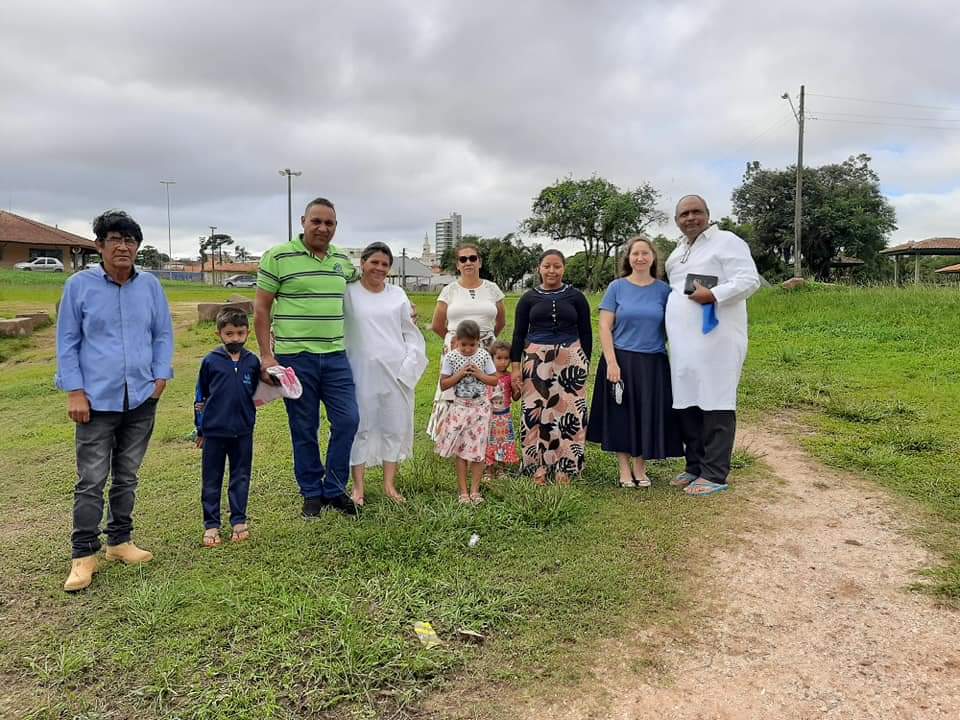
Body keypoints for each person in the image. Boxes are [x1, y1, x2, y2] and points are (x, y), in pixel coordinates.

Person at [56, 210, 174, 592]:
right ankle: (83, 554)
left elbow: (162, 333)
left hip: (141, 396)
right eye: (114, 239)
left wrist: (159, 377)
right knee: (91, 479)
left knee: (127, 475)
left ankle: (119, 542)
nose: (123, 246)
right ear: (99, 246)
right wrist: (74, 390)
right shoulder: (79, 286)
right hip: (95, 399)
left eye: (130, 240)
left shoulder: (150, 285)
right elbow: (68, 340)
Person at [255, 197, 361, 518]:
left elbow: (368, 284)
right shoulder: (278, 257)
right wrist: (266, 355)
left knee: (348, 420)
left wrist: (399, 305)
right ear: (303, 222)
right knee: (304, 426)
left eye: (329, 223)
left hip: (335, 357)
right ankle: (312, 492)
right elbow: (261, 309)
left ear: (335, 227)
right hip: (294, 359)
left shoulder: (342, 260)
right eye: (316, 221)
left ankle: (334, 488)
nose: (322, 228)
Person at [665, 195, 761, 496]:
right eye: (684, 214)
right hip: (682, 344)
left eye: (696, 212)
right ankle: (694, 466)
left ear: (708, 214)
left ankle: (715, 473)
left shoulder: (727, 241)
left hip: (716, 341)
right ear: (677, 220)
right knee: (687, 403)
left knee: (715, 401)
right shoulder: (678, 249)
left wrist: (715, 294)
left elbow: (749, 280)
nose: (690, 218)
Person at [586, 235, 682, 487]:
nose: (640, 258)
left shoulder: (664, 291)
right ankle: (624, 470)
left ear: (653, 258)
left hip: (653, 363)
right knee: (622, 415)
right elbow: (605, 327)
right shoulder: (616, 287)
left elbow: (675, 326)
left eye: (645, 253)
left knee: (647, 414)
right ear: (628, 258)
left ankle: (641, 468)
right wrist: (612, 362)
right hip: (621, 360)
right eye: (635, 253)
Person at [344, 242, 428, 506]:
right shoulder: (348, 294)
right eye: (374, 262)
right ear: (363, 263)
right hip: (360, 371)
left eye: (384, 264)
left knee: (393, 425)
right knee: (361, 426)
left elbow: (411, 333)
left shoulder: (398, 294)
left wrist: (408, 367)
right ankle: (358, 488)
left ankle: (390, 485)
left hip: (395, 372)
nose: (379, 268)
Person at [510, 250, 592, 485]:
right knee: (537, 412)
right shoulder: (528, 298)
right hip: (536, 361)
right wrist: (516, 367)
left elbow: (586, 332)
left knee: (568, 413)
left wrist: (584, 361)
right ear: (539, 268)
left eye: (557, 266)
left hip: (570, 361)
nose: (552, 271)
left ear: (563, 268)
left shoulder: (576, 297)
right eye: (547, 266)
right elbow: (518, 334)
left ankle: (565, 466)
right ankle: (537, 466)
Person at [194, 308, 260, 547]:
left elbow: (258, 393)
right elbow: (200, 397)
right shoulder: (210, 361)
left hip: (243, 431)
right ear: (219, 333)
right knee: (212, 479)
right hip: (214, 433)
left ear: (247, 333)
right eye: (229, 333)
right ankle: (211, 525)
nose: (235, 339)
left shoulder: (252, 362)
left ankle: (239, 521)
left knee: (241, 476)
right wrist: (200, 429)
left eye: (240, 333)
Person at [426, 243, 505, 440]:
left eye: (472, 258)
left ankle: (486, 435)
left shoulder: (492, 289)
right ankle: (450, 436)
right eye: (463, 259)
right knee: (454, 389)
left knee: (486, 390)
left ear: (480, 262)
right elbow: (437, 324)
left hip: (486, 346)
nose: (468, 262)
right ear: (458, 264)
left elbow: (501, 321)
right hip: (456, 348)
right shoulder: (449, 290)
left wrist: (484, 342)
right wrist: (456, 344)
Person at [434, 320, 499, 503]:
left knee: (478, 450)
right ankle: (463, 492)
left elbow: (494, 380)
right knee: (461, 451)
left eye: (472, 345)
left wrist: (479, 374)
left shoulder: (484, 356)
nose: (468, 349)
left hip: (480, 409)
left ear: (479, 341)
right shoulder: (451, 357)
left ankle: (475, 491)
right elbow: (444, 383)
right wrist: (460, 374)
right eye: (464, 345)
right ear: (457, 341)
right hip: (459, 409)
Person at [485, 340, 521, 476]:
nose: (503, 362)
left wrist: (518, 390)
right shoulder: (487, 376)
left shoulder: (510, 377)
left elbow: (515, 397)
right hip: (489, 417)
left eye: (506, 358)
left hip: (504, 417)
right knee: (489, 443)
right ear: (492, 358)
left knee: (503, 443)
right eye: (499, 358)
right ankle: (488, 471)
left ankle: (501, 470)